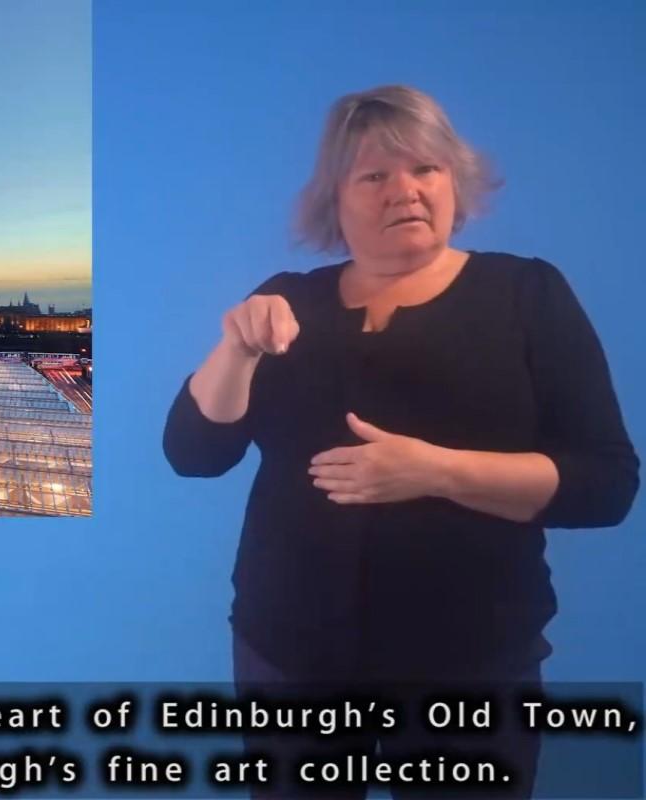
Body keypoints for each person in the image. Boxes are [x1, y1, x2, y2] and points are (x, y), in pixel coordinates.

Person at [162, 85, 638, 798]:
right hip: (291, 657)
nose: (405, 191)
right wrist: (236, 349)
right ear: (337, 199)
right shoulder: (291, 298)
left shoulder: (526, 294)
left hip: (471, 665)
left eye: (426, 169)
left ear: (455, 181)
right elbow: (195, 454)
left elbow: (606, 485)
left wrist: (435, 471)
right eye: (375, 175)